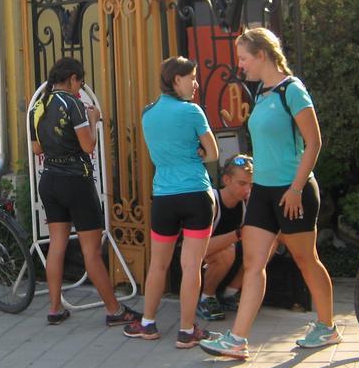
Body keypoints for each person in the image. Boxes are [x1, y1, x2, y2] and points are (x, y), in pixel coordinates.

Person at [200, 28, 339, 360]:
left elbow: (314, 143)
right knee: (253, 263)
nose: (241, 65)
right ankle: (237, 340)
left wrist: (295, 188)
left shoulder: (293, 91)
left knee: (307, 261)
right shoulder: (262, 91)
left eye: (244, 58)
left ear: (261, 55)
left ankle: (327, 327)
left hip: (294, 192)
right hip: (263, 191)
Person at [31, 57, 141, 327]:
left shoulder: (40, 104)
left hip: (49, 181)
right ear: (71, 79)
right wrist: (93, 120)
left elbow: (37, 150)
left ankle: (55, 308)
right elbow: (89, 146)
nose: (80, 88)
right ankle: (114, 310)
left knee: (57, 245)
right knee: (91, 251)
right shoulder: (74, 104)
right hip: (76, 182)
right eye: (80, 82)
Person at [123, 57, 218, 348]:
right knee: (191, 266)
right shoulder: (193, 112)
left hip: (164, 196)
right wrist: (197, 155)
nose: (196, 83)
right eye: (192, 77)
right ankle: (187, 331)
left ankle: (148, 323)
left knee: (158, 265)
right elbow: (213, 152)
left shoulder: (147, 114)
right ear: (177, 80)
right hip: (195, 193)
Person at [196, 154, 253, 322]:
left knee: (270, 242)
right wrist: (237, 234)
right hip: (200, 257)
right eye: (242, 184)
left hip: (229, 257)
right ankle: (206, 298)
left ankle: (230, 293)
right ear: (226, 180)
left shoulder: (246, 203)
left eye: (250, 184)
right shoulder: (212, 200)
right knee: (227, 251)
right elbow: (197, 247)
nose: (247, 190)